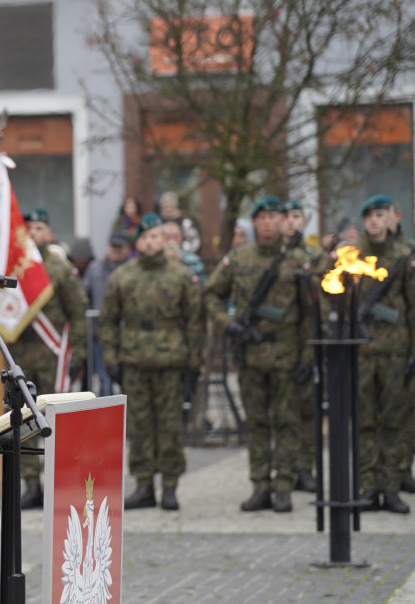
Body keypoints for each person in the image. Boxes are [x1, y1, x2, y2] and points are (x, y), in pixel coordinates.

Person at [204, 196, 314, 513]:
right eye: (262, 217)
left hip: (287, 355)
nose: (268, 222)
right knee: (256, 425)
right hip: (250, 355)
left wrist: (307, 358)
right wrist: (230, 325)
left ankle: (284, 486)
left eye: (274, 217)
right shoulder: (238, 259)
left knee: (287, 422)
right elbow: (211, 295)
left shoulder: (298, 261)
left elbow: (310, 315)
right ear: (254, 222)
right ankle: (260, 486)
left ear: (283, 222)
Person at [100, 213, 205, 510]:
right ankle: (144, 485)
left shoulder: (180, 275)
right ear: (138, 241)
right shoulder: (123, 276)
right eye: (145, 237)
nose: (150, 242)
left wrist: (194, 364)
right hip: (134, 362)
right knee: (139, 427)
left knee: (170, 426)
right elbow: (107, 320)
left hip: (171, 361)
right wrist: (112, 359)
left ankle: (170, 486)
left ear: (164, 239)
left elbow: (196, 321)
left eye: (155, 237)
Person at [354, 194, 415, 514]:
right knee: (365, 421)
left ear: (389, 219)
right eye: (368, 216)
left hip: (397, 352)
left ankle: (392, 486)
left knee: (395, 421)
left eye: (380, 215)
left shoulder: (404, 257)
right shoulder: (352, 257)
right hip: (363, 353)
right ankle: (369, 487)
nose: (374, 221)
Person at [17, 207, 89, 509]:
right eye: (29, 228)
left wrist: (80, 352)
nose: (34, 234)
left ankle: (58, 482)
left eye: (39, 228)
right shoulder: (14, 268)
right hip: (21, 353)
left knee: (54, 419)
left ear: (49, 233)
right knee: (21, 420)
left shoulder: (59, 269)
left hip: (52, 354)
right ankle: (31, 483)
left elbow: (78, 312)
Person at [280, 199, 324, 493]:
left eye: (296, 216)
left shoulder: (314, 256)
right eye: (285, 216)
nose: (291, 221)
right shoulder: (271, 255)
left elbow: (318, 307)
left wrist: (310, 356)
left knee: (307, 411)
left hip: (306, 344)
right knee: (283, 413)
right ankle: (285, 468)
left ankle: (305, 468)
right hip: (277, 349)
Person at [385, 201, 415, 495]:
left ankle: (403, 469)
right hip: (381, 349)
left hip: (412, 344)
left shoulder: (412, 252)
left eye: (386, 213)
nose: (381, 220)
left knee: (408, 412)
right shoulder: (364, 254)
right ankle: (382, 477)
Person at [83, 231, 132, 396]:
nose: (115, 250)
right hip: (100, 334)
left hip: (128, 335)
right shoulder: (95, 268)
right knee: (104, 381)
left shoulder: (133, 269)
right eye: (113, 246)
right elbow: (84, 294)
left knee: (127, 382)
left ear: (127, 249)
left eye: (120, 247)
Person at [158, 190, 201, 255]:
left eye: (170, 204)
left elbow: (193, 240)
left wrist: (184, 251)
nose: (167, 207)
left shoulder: (185, 221)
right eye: (165, 204)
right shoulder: (158, 220)